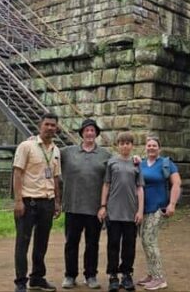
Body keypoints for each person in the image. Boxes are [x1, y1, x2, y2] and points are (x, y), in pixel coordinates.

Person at [59, 119, 112, 290]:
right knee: (71, 243)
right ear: (81, 133)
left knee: (92, 244)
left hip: (95, 209)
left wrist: (135, 159)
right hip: (73, 207)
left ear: (96, 134)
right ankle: (70, 275)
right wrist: (33, 142)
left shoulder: (106, 155)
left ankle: (91, 275)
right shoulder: (67, 152)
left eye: (92, 130)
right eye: (86, 130)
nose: (90, 133)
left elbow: (119, 167)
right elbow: (47, 153)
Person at [12, 113, 62, 292]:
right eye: (47, 124)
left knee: (42, 242)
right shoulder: (27, 146)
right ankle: (20, 282)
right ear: (40, 125)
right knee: (22, 243)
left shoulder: (56, 150)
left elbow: (55, 178)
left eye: (53, 125)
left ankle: (37, 278)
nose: (50, 128)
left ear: (56, 128)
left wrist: (57, 201)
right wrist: (18, 200)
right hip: (28, 201)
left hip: (47, 202)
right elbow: (17, 173)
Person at [98, 132, 144, 292]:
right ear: (118, 145)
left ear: (132, 145)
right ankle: (113, 276)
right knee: (113, 245)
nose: (125, 146)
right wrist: (103, 206)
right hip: (114, 212)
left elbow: (140, 188)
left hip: (131, 213)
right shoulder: (112, 163)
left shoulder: (137, 164)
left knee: (129, 246)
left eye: (128, 143)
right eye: (122, 143)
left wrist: (140, 210)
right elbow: (106, 184)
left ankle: (126, 274)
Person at [137, 134, 181, 291]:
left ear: (159, 148)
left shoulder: (166, 164)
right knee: (144, 241)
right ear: (145, 147)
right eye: (149, 145)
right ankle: (151, 273)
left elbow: (176, 184)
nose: (151, 148)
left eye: (154, 145)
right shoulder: (141, 164)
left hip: (158, 208)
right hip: (143, 209)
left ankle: (159, 278)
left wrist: (172, 204)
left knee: (150, 240)